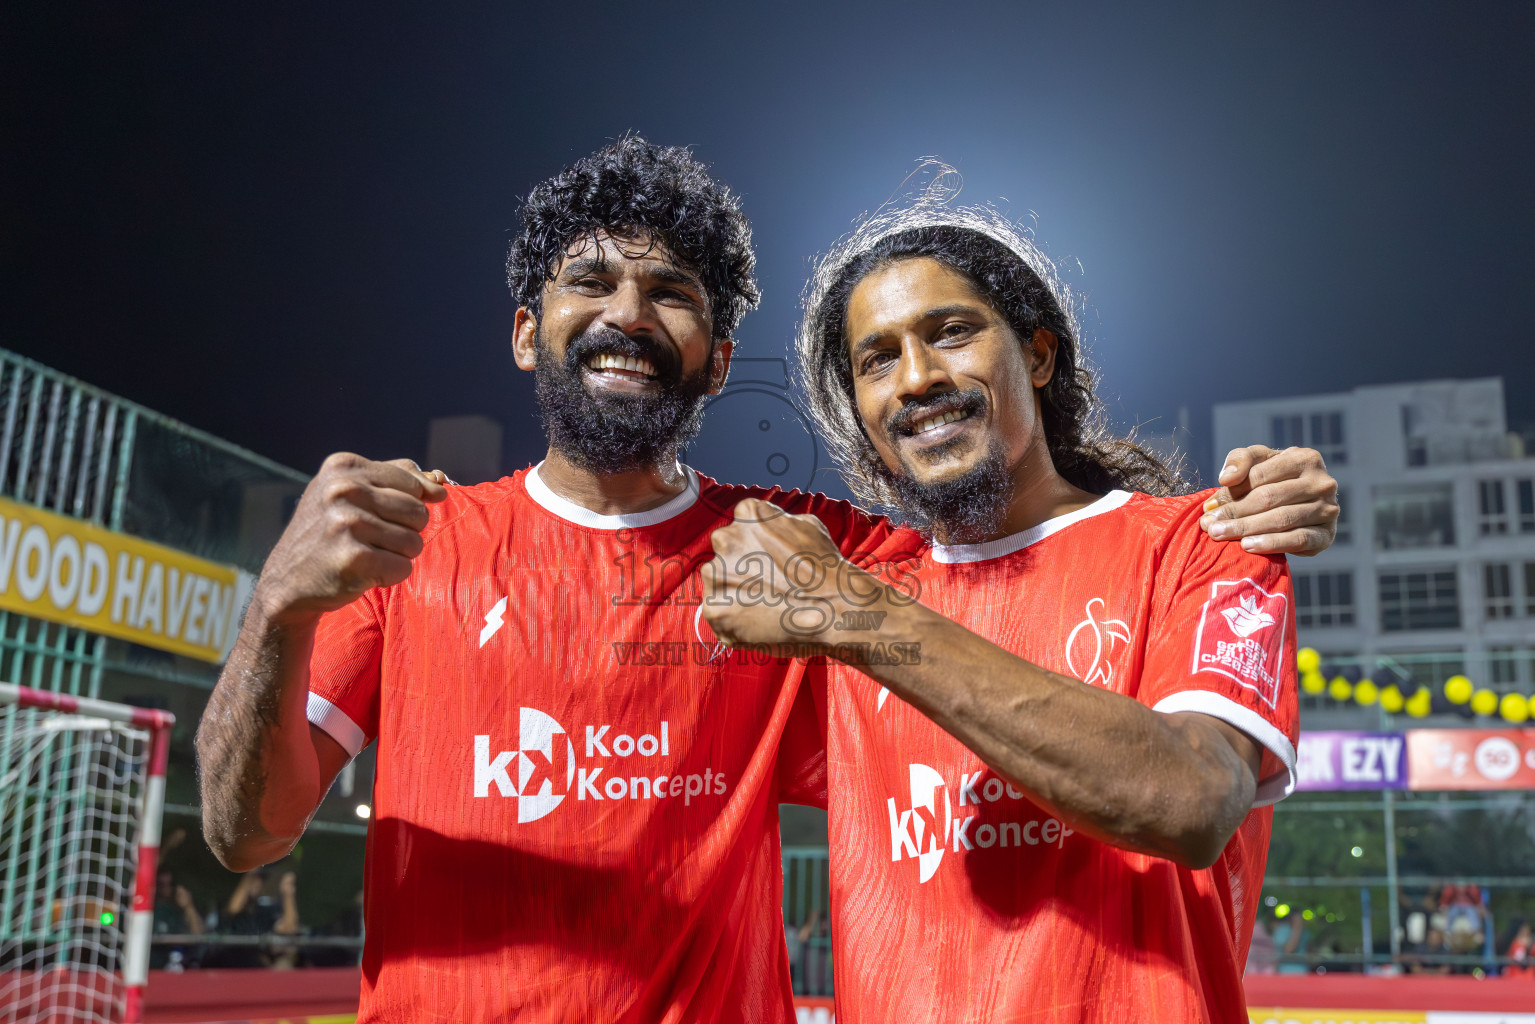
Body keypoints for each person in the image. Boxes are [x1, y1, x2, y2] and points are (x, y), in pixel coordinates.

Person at [195, 138, 1338, 1022]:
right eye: (587, 280)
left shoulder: (805, 559)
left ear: (718, 358)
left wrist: (1236, 506)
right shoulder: (411, 547)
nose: (627, 315)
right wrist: (276, 607)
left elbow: (1024, 547)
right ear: (524, 331)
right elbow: (245, 832)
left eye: (673, 293)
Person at [702, 197, 1323, 1021]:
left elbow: (1192, 799)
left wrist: (854, 615)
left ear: (1036, 355)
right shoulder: (848, 577)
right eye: (876, 360)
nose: (916, 377)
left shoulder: (1202, 541)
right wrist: (467, 530)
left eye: (951, 331)